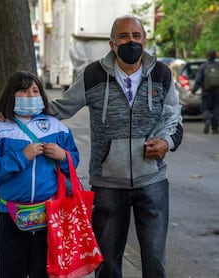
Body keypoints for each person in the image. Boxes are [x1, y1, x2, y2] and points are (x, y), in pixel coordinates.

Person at [48, 16, 183, 278]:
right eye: (124, 36)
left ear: (144, 41)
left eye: (136, 36)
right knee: (107, 262)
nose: (131, 41)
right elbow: (60, 108)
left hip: (152, 181)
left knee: (155, 260)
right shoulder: (93, 75)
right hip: (108, 183)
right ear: (112, 43)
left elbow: (174, 118)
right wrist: (17, 110)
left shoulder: (161, 74)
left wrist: (166, 143)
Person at [0, 71, 79, 278]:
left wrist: (63, 156)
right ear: (11, 96)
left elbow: (73, 162)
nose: (31, 95)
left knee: (44, 272)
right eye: (23, 91)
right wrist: (21, 157)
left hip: (50, 217)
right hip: (11, 215)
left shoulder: (57, 127)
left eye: (35, 91)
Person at [191, 49, 219, 134]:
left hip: (206, 91)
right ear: (215, 56)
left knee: (206, 108)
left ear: (207, 57)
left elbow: (198, 80)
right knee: (216, 108)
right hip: (218, 92)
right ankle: (214, 128)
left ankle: (207, 120)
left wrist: (193, 91)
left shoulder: (203, 66)